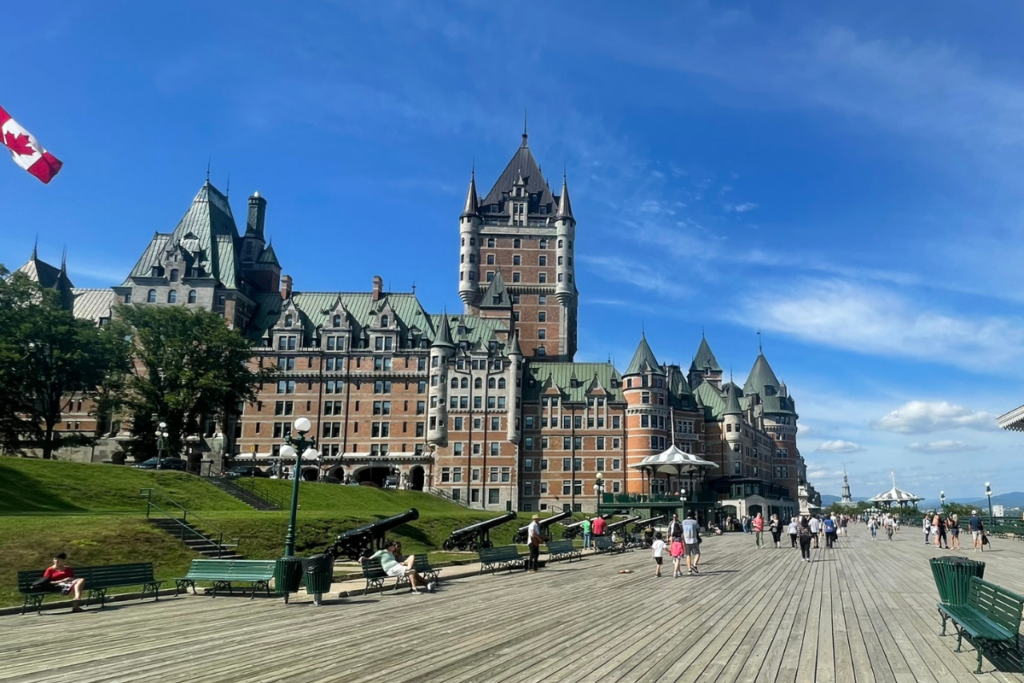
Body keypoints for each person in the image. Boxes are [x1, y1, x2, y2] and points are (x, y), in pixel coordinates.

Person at [364, 540, 432, 593]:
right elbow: (370, 558)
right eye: (394, 545)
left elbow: (394, 561)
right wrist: (362, 558)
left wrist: (401, 563)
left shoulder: (391, 553)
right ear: (390, 546)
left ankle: (425, 584)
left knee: (412, 559)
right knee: (412, 571)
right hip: (391, 569)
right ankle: (417, 588)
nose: (395, 546)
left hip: (396, 567)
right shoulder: (381, 552)